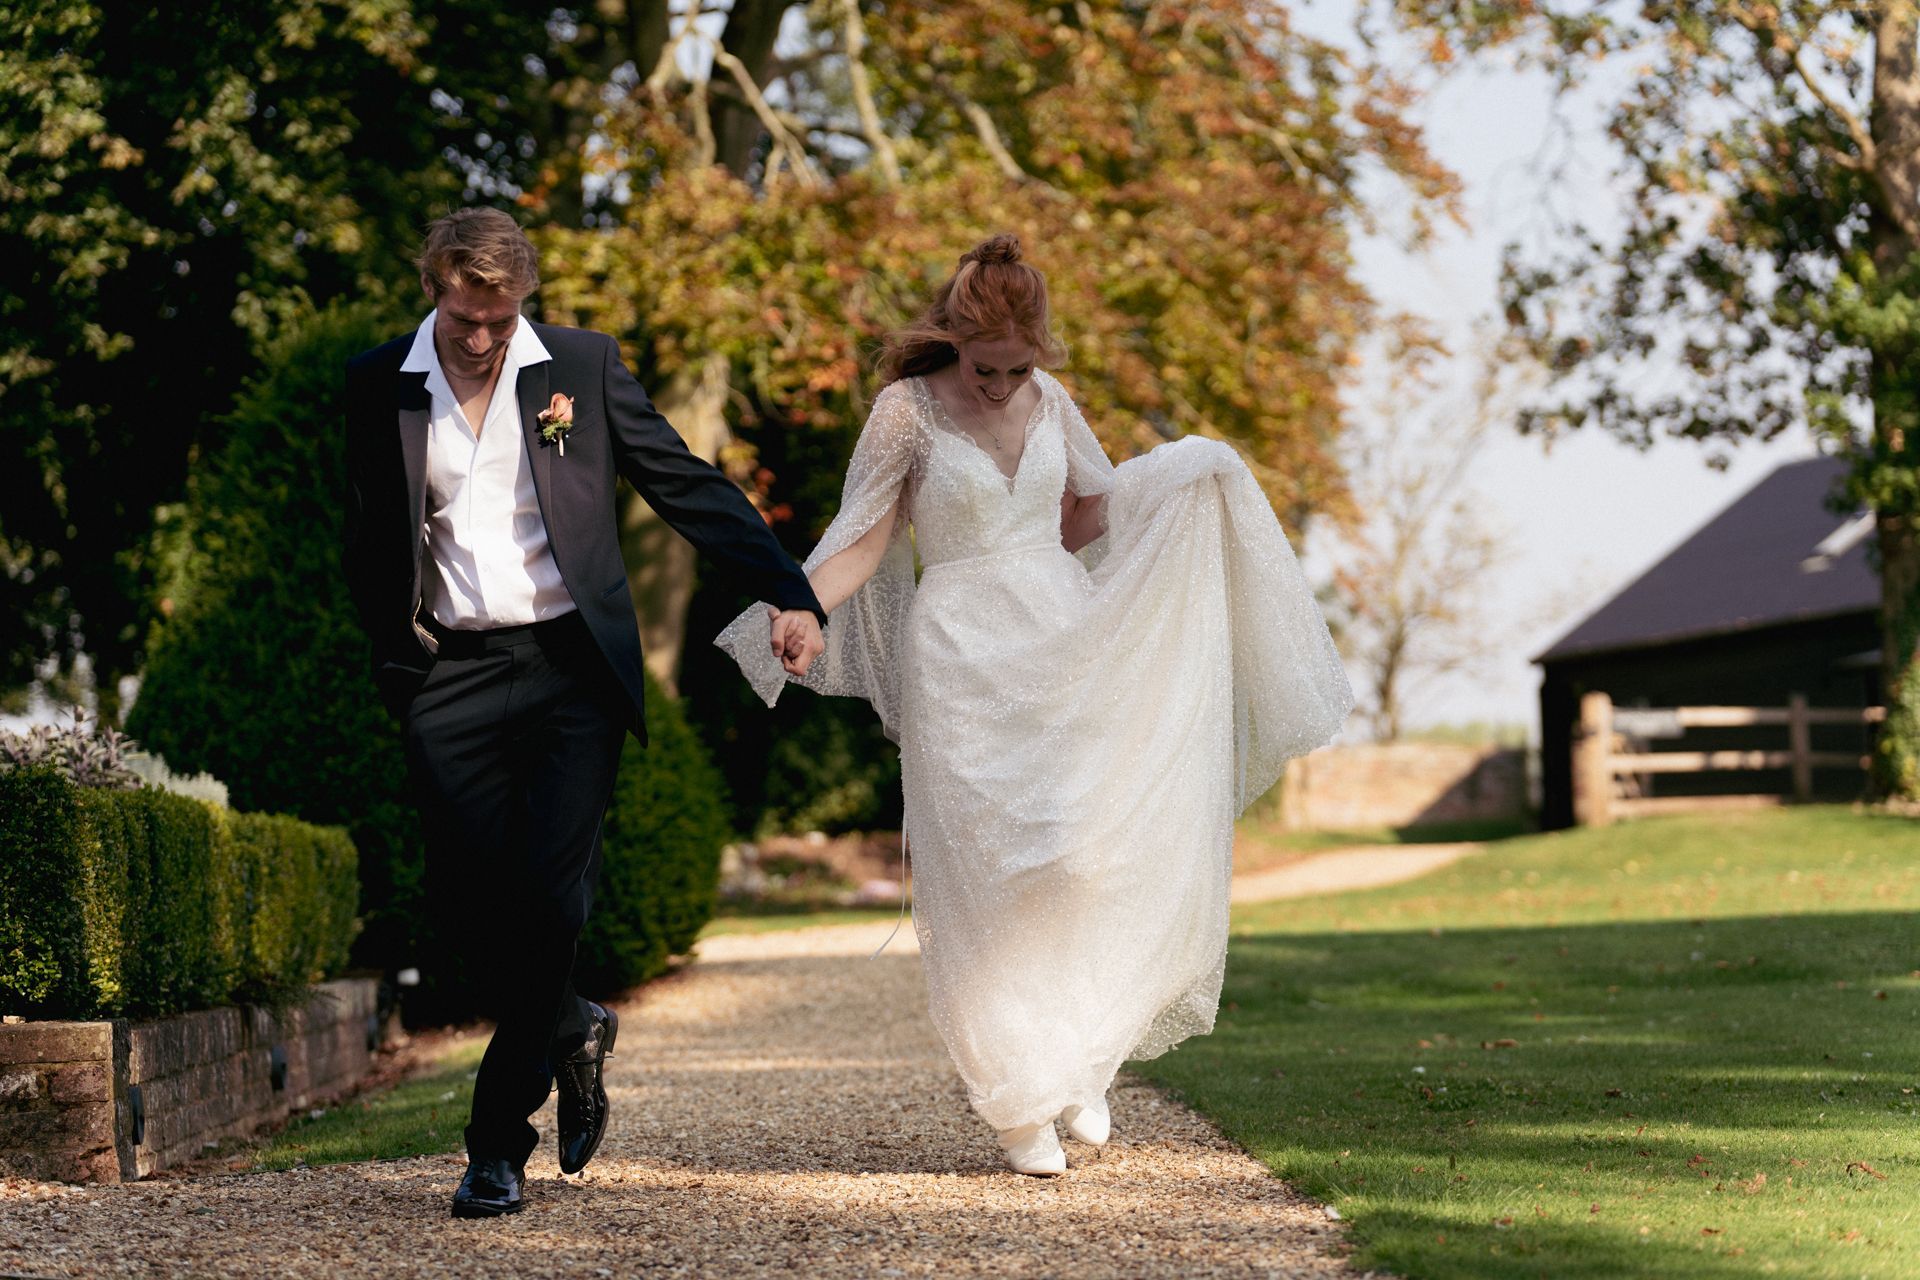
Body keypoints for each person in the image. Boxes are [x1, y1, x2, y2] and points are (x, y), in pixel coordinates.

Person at [718, 234, 1354, 1175]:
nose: (1001, 387)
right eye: (986, 368)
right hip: (962, 648)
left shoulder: (1050, 399)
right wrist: (804, 606)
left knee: (1082, 852)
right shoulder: (905, 413)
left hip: (1061, 634)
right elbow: (864, 535)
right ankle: (1017, 1102)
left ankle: (1077, 1053)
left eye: (1019, 369)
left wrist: (1178, 478)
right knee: (986, 866)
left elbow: (1083, 512)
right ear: (951, 340)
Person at [342, 208, 825, 1217]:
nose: (481, 338)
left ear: (524, 300)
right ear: (434, 290)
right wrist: (400, 653)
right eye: (465, 316)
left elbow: (684, 484)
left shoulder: (580, 367)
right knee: (476, 907)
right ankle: (570, 1021)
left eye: (500, 317)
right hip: (451, 673)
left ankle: (493, 1143)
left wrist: (789, 590)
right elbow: (364, 534)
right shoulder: (378, 382)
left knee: (555, 901)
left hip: (570, 668)